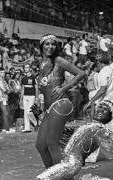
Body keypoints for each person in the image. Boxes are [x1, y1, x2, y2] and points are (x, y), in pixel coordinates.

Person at [36, 34, 85, 169]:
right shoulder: (41, 64)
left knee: (52, 144)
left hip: (60, 104)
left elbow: (81, 73)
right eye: (47, 44)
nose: (50, 47)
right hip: (48, 108)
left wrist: (64, 88)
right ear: (41, 46)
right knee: (40, 145)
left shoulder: (59, 61)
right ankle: (52, 176)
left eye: (53, 44)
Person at [21, 64, 38, 132]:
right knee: (25, 112)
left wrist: (36, 98)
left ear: (30, 68)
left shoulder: (33, 77)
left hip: (32, 96)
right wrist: (21, 99)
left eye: (27, 67)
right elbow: (22, 89)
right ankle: (27, 128)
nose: (26, 68)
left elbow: (36, 88)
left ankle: (36, 124)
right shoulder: (23, 78)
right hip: (25, 96)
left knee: (29, 112)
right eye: (25, 67)